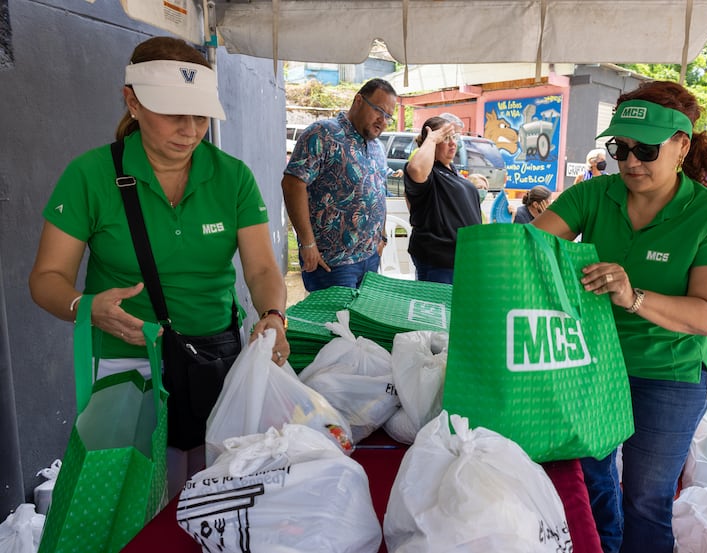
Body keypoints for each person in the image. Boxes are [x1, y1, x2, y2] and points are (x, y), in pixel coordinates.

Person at [28, 36, 290, 496]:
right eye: (174, 114)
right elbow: (47, 280)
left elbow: (263, 270)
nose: (190, 130)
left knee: (212, 490)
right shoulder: (90, 176)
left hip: (214, 358)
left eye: (201, 116)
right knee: (128, 494)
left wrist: (273, 315)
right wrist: (86, 306)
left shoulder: (232, 178)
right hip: (125, 364)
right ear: (132, 101)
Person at [532, 80, 707, 553]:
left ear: (681, 146)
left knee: (646, 500)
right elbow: (529, 250)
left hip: (669, 373)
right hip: (594, 365)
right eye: (619, 148)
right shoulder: (595, 195)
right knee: (590, 479)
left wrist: (634, 296)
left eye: (646, 150)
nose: (630, 162)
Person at [282, 78, 397, 292]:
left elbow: (379, 192)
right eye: (379, 110)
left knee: (361, 324)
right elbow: (292, 184)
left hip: (370, 258)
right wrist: (307, 244)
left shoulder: (377, 147)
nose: (383, 120)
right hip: (334, 263)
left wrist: (381, 237)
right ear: (359, 100)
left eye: (388, 116)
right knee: (335, 325)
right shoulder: (323, 133)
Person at [404, 116, 483, 284]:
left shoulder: (452, 171)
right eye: (445, 138)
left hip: (465, 259)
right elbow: (416, 169)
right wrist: (432, 138)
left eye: (454, 137)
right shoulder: (428, 173)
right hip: (440, 263)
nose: (453, 143)